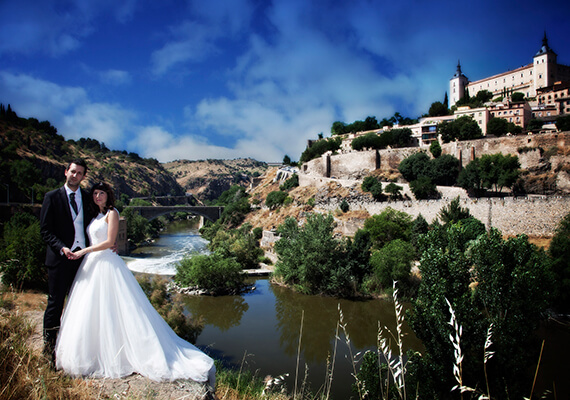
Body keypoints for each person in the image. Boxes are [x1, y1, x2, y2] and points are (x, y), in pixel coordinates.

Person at [55, 182, 216, 390]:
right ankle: (92, 354)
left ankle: (118, 354)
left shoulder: (112, 213)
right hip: (92, 264)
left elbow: (110, 240)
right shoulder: (94, 214)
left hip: (105, 262)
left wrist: (83, 251)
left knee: (117, 307)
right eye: (94, 193)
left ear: (108, 195)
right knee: (91, 308)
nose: (97, 196)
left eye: (101, 193)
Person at [40, 159, 94, 367]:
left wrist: (111, 242)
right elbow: (45, 230)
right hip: (60, 259)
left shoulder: (89, 198)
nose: (75, 176)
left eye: (79, 173)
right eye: (73, 171)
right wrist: (61, 247)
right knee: (55, 304)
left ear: (83, 177)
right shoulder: (52, 197)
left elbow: (102, 220)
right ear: (66, 172)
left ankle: (74, 351)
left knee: (79, 305)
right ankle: (48, 351)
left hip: (82, 261)